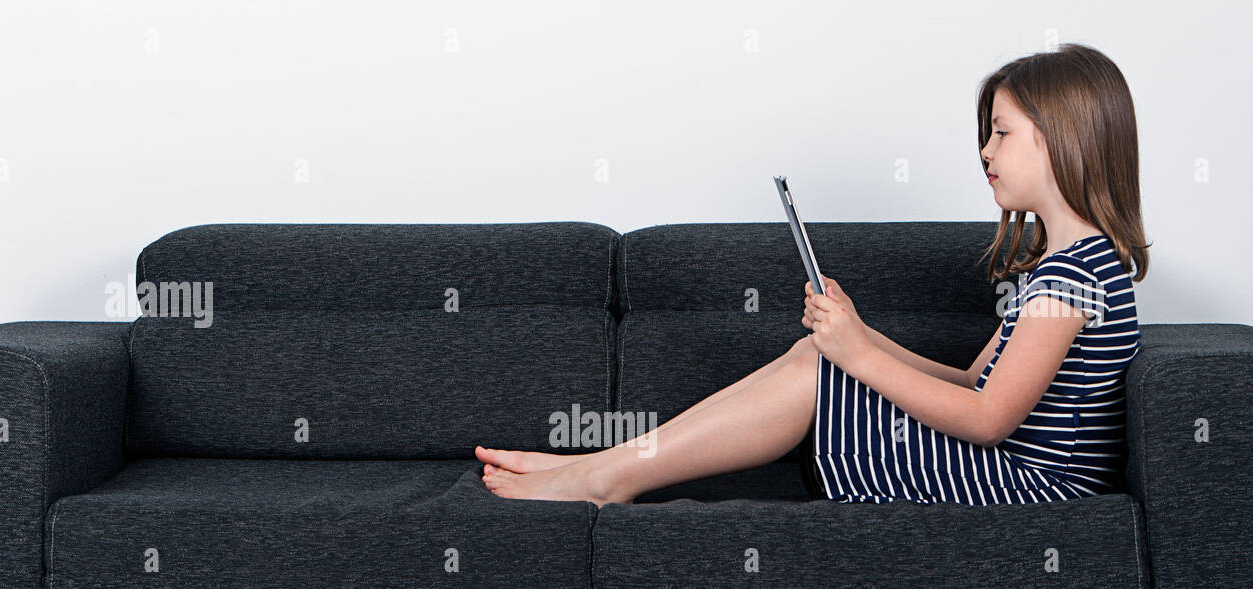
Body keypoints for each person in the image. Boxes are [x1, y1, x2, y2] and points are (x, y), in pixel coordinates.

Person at [477, 42, 1149, 506]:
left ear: (1061, 138)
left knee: (818, 371)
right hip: (1014, 472)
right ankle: (600, 468)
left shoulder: (1070, 281)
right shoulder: (1067, 266)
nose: (984, 151)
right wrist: (860, 339)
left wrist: (855, 357)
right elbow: (976, 382)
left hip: (1030, 488)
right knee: (815, 354)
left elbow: (986, 420)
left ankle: (606, 477)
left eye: (1001, 133)